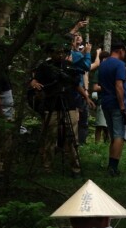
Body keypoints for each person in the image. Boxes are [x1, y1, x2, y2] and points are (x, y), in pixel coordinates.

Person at [30, 39, 86, 176]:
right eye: (57, 52)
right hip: (52, 105)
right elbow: (35, 80)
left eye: (62, 52)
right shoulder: (45, 67)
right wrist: (34, 84)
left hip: (69, 104)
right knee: (50, 137)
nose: (60, 55)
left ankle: (76, 168)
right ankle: (47, 167)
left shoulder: (69, 66)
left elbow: (76, 84)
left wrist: (86, 97)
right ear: (50, 53)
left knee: (72, 137)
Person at [98, 40, 126, 176]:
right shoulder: (120, 64)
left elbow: (101, 84)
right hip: (116, 104)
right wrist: (123, 107)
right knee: (119, 136)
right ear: (121, 50)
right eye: (124, 52)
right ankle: (113, 168)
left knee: (113, 135)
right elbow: (119, 86)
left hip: (105, 103)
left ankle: (111, 165)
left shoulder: (103, 64)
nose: (125, 55)